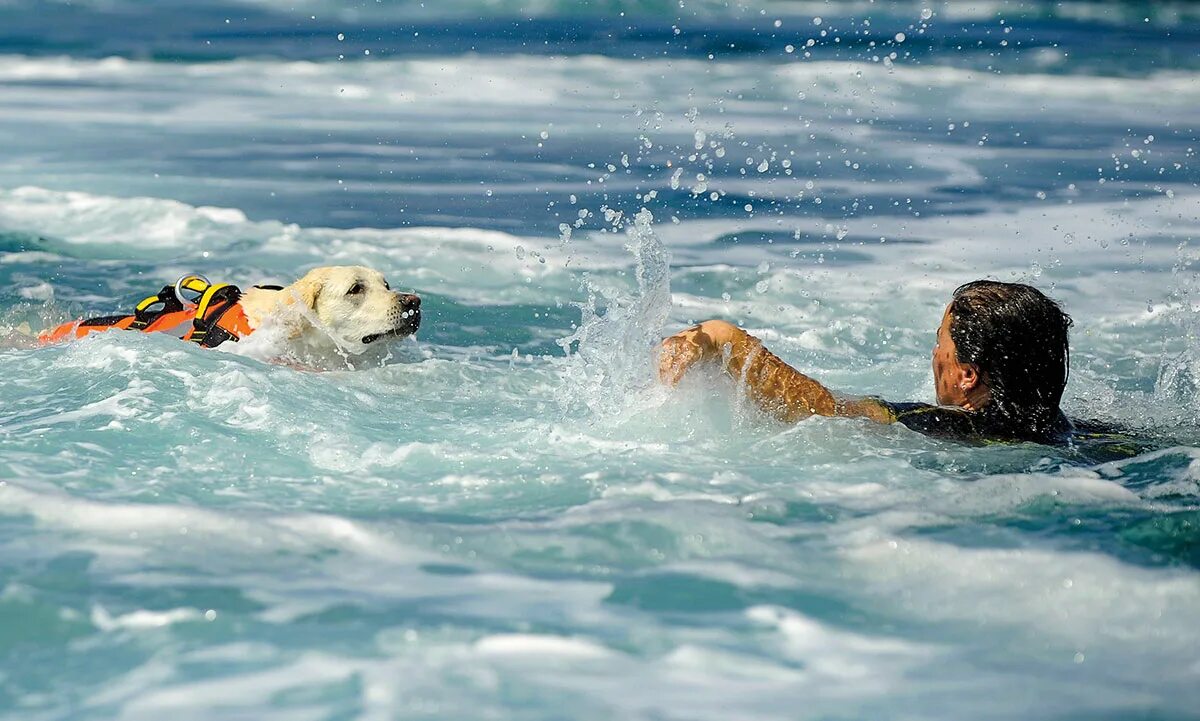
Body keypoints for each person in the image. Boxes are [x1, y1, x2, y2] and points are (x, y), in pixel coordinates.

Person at [657, 280, 1088, 445]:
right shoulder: (1079, 434)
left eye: (941, 342)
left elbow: (821, 409)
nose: (935, 354)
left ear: (968, 375)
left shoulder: (934, 423)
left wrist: (720, 335)